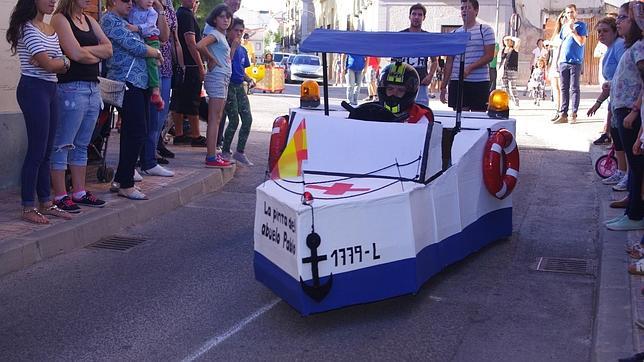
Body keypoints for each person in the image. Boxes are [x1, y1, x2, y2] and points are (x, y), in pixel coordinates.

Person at [7, 0, 72, 223]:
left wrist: (59, 61)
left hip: (51, 88)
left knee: (47, 150)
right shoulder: (27, 27)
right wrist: (57, 62)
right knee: (36, 150)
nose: (53, 1)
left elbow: (60, 63)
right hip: (33, 88)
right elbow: (49, 64)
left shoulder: (50, 29)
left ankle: (46, 202)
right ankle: (27, 207)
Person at [50, 0, 112, 212]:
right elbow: (74, 54)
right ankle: (60, 195)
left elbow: (109, 49)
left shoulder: (90, 20)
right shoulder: (60, 19)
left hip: (93, 87)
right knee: (63, 143)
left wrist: (85, 51)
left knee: (82, 144)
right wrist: (92, 52)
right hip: (70, 88)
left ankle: (79, 191)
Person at [102, 0, 165, 200]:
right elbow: (136, 46)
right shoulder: (110, 20)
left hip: (141, 82)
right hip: (126, 81)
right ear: (112, 1)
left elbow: (156, 35)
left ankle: (121, 180)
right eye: (125, 0)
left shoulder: (127, 19)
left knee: (136, 131)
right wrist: (154, 52)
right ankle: (126, 184)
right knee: (136, 131)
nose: (130, 3)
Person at [604, 2, 644, 231]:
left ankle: (636, 214)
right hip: (622, 109)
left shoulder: (640, 47)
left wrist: (636, 110)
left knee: (637, 165)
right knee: (633, 163)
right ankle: (632, 206)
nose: (618, 21)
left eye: (623, 18)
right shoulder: (633, 46)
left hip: (630, 112)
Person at [587, 17, 627, 198]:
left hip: (625, 100)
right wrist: (599, 102)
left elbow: (622, 74)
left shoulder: (619, 46)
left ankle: (626, 174)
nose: (601, 34)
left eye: (605, 31)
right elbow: (609, 84)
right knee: (617, 139)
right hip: (615, 100)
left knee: (624, 140)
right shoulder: (609, 49)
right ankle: (621, 171)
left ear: (615, 32)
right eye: (599, 31)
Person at [196, 4, 234, 168]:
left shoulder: (222, 35)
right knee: (214, 119)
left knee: (216, 118)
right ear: (215, 19)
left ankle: (213, 154)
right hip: (217, 77)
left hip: (222, 78)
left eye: (228, 17)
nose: (226, 19)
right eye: (222, 16)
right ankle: (211, 156)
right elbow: (199, 45)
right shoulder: (215, 34)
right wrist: (211, 59)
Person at [440, 0, 495, 111]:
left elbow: (489, 55)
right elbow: (449, 61)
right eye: (462, 8)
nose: (464, 11)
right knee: (460, 116)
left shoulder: (485, 30)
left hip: (478, 82)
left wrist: (469, 68)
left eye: (468, 8)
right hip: (457, 81)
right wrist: (443, 85)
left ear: (476, 11)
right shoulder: (454, 34)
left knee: (477, 116)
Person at [169, 0, 207, 147]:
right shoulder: (187, 15)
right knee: (192, 100)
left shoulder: (178, 14)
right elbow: (191, 42)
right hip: (190, 65)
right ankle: (195, 135)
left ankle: (179, 134)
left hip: (179, 64)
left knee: (178, 99)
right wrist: (200, 65)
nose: (195, 2)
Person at [221, 18, 255, 166]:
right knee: (234, 120)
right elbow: (225, 63)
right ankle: (225, 151)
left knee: (247, 119)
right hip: (227, 86)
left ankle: (240, 152)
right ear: (229, 31)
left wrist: (249, 79)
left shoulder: (243, 50)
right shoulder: (225, 46)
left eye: (241, 31)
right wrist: (233, 48)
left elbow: (241, 70)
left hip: (239, 86)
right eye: (236, 30)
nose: (239, 33)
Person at [553, 4, 588, 124]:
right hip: (563, 61)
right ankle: (563, 114)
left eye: (572, 12)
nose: (570, 15)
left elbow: (581, 42)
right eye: (567, 13)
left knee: (574, 88)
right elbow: (562, 43)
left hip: (575, 62)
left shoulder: (581, 25)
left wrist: (573, 31)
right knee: (563, 88)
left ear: (576, 12)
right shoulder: (564, 27)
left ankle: (573, 113)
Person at [398, 3, 437, 106]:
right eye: (414, 14)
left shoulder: (428, 37)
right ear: (409, 16)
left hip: (421, 82)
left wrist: (430, 76)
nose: (416, 17)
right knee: (401, 112)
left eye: (420, 15)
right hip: (402, 83)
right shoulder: (400, 36)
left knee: (421, 113)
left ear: (424, 17)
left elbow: (434, 61)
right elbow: (395, 60)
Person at [128, 0, 164, 110]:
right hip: (139, 39)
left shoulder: (152, 12)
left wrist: (136, 28)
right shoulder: (131, 9)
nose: (150, 1)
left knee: (151, 63)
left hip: (150, 39)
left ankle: (156, 90)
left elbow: (149, 26)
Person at [548, 11, 565, 122]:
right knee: (555, 88)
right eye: (562, 17)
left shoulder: (567, 32)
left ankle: (561, 111)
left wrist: (551, 43)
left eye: (565, 17)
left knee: (561, 88)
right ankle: (556, 109)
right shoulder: (557, 33)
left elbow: (561, 44)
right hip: (554, 62)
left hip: (562, 62)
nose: (563, 19)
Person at [499, 35, 520, 107]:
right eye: (506, 40)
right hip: (503, 69)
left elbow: (518, 40)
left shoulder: (514, 49)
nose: (507, 42)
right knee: (504, 87)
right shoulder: (503, 49)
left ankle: (516, 102)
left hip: (512, 69)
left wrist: (511, 37)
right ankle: (506, 102)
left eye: (509, 40)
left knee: (512, 86)